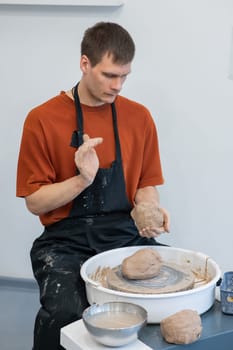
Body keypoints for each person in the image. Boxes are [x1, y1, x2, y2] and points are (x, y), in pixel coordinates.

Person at [16, 21, 170, 350]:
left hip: (124, 235)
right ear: (85, 64)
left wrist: (148, 208)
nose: (118, 86)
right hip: (64, 243)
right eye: (109, 75)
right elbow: (35, 202)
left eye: (124, 76)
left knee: (168, 296)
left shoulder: (139, 117)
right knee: (66, 314)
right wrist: (82, 179)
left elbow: (147, 184)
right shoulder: (42, 119)